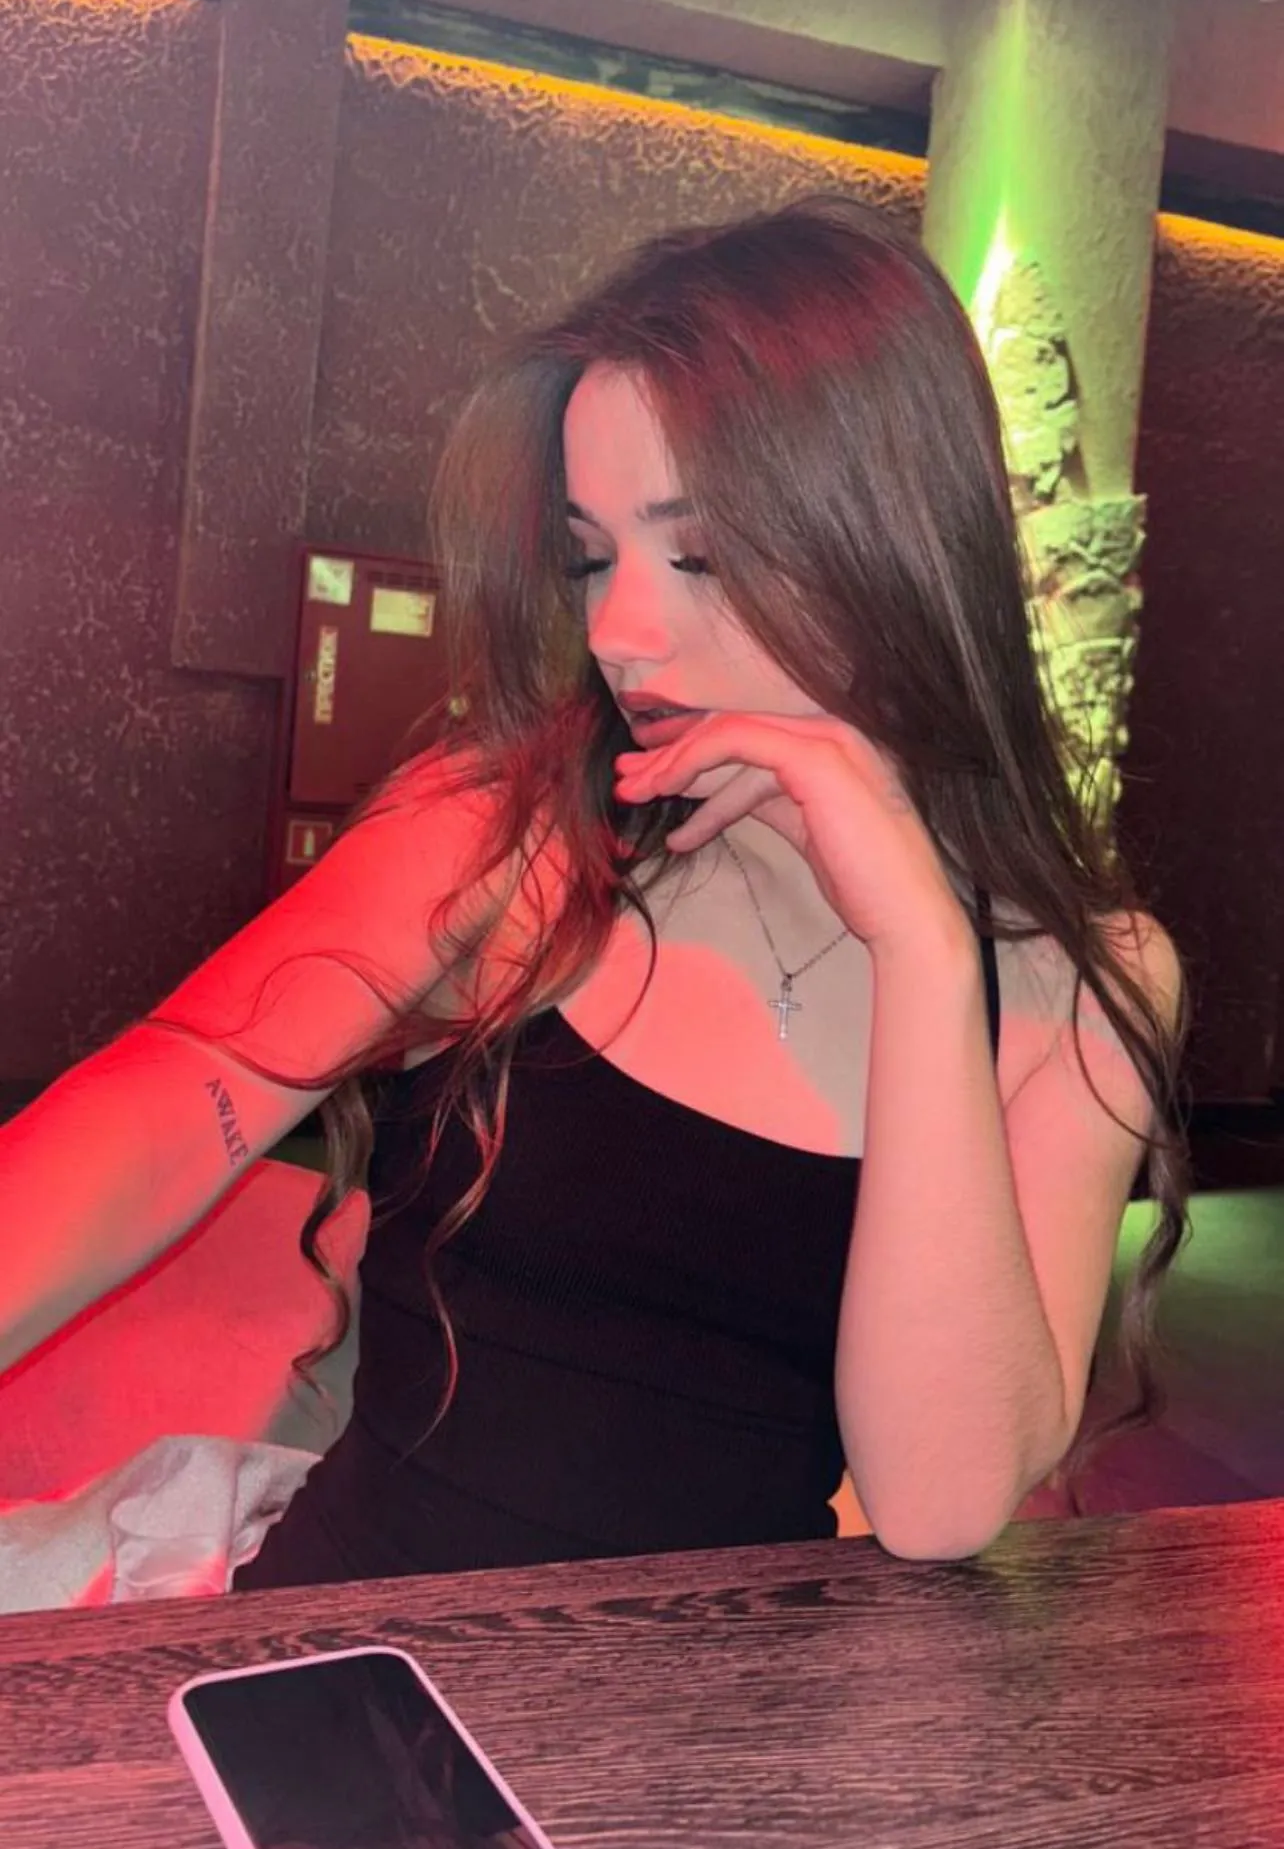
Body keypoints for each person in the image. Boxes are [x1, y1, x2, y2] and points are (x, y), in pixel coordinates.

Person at [0, 197, 1187, 1588]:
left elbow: (937, 1501)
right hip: (356, 1637)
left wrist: (924, 946)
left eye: (700, 555)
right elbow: (172, 1104)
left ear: (894, 539)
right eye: (592, 555)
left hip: (700, 1700)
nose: (618, 632)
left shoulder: (1077, 981)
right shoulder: (504, 829)